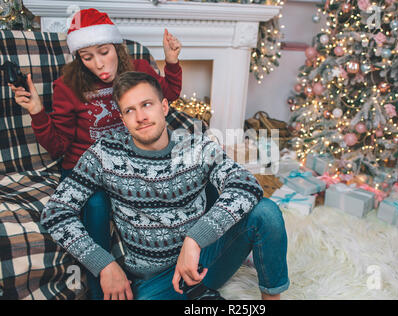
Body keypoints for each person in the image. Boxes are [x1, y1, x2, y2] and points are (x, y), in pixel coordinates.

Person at [40, 71, 290, 300]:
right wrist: (104, 264)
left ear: (164, 106)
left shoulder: (197, 146)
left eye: (147, 105)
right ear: (122, 118)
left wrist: (195, 240)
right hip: (153, 280)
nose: (140, 117)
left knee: (265, 212)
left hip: (204, 260)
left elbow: (246, 185)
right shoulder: (105, 153)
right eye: (129, 110)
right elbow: (55, 212)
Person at [8, 8, 182, 300]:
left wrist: (172, 62)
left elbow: (166, 96)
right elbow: (59, 146)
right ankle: (102, 285)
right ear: (79, 58)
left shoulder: (138, 68)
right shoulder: (67, 86)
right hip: (85, 166)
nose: (99, 64)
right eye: (87, 57)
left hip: (129, 160)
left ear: (115, 46)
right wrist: (37, 110)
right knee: (98, 205)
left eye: (104, 52)